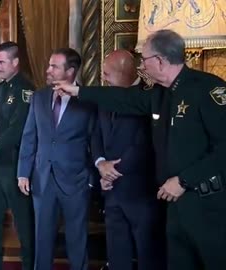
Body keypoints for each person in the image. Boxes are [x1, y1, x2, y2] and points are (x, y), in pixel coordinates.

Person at [54, 29, 226, 270]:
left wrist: (185, 181)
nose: (141, 67)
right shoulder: (158, 94)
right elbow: (122, 99)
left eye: (144, 60)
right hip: (174, 206)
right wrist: (78, 91)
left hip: (206, 207)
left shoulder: (208, 89)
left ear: (160, 61)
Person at [17, 48, 96, 270]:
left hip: (76, 181)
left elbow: (95, 141)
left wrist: (90, 178)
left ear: (70, 71)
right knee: (42, 240)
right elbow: (29, 136)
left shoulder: (87, 101)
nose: (47, 70)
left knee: (76, 240)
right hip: (42, 180)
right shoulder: (39, 97)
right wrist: (23, 172)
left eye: (54, 66)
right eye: (49, 65)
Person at [91, 49, 166, 270]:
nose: (103, 78)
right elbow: (96, 135)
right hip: (112, 193)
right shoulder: (106, 98)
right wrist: (100, 164)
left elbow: (144, 144)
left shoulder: (148, 97)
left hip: (140, 193)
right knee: (117, 254)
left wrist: (113, 172)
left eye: (107, 73)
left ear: (124, 73)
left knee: (148, 254)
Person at [0, 41, 34, 270]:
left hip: (12, 164)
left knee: (23, 222)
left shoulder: (25, 89)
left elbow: (18, 127)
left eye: (1, 62)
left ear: (15, 62)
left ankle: (30, 265)